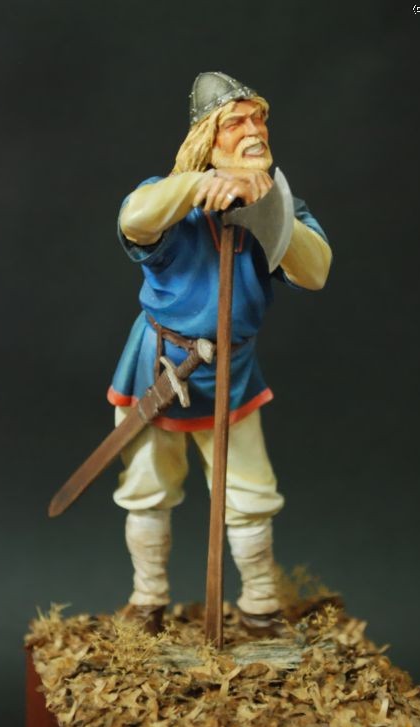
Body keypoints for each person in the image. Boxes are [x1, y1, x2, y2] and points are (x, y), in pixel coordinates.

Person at [109, 72, 332, 635]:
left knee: (250, 492)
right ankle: (147, 600)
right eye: (236, 122)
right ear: (208, 137)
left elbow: (315, 270)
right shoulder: (171, 199)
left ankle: (259, 604)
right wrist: (199, 185)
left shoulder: (281, 202)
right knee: (147, 486)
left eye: (259, 119)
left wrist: (266, 208)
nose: (254, 130)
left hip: (232, 369)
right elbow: (134, 218)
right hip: (160, 362)